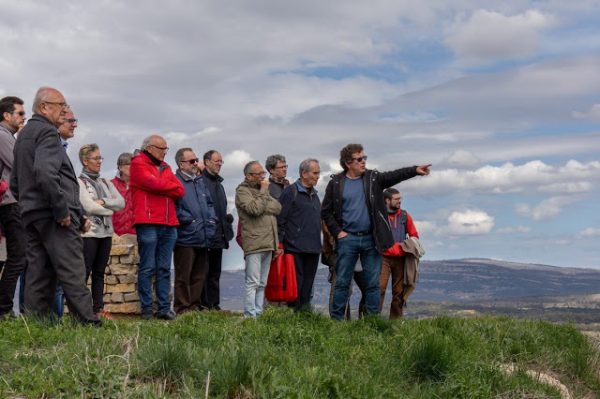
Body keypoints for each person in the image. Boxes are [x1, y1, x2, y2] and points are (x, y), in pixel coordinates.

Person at [10, 87, 99, 325]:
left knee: (39, 270)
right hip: (53, 213)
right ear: (43, 107)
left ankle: (38, 323)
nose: (64, 109)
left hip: (31, 213)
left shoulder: (24, 135)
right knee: (72, 268)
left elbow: (15, 182)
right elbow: (45, 173)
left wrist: (26, 205)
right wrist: (61, 210)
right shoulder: (48, 133)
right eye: (60, 104)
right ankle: (87, 322)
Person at [321, 143, 431, 320]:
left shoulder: (373, 179)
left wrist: (415, 170)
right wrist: (338, 232)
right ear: (348, 163)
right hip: (347, 239)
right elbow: (326, 211)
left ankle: (373, 323)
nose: (364, 162)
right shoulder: (336, 183)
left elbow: (394, 176)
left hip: (371, 239)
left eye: (364, 158)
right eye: (359, 159)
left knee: (373, 284)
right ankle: (337, 323)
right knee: (342, 283)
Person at [130, 135, 184, 320]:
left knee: (163, 268)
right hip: (148, 221)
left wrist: (162, 186)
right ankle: (146, 309)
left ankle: (164, 308)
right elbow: (151, 182)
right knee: (148, 267)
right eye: (162, 149)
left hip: (169, 223)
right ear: (150, 148)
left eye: (166, 149)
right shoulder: (138, 163)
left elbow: (180, 190)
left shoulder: (166, 167)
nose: (164, 152)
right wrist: (165, 186)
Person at [78, 144, 124, 319]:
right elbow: (87, 205)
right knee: (85, 272)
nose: (99, 162)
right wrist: (110, 210)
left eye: (100, 158)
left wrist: (103, 202)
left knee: (100, 272)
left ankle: (98, 309)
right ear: (85, 161)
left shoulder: (105, 182)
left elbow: (121, 203)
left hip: (106, 233)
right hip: (89, 234)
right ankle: (81, 310)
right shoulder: (79, 182)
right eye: (95, 158)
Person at [173, 148, 216, 314]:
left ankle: (194, 306)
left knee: (199, 274)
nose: (195, 164)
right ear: (181, 163)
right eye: (192, 161)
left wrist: (211, 221)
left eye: (196, 160)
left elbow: (209, 204)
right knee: (184, 275)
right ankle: (182, 308)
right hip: (186, 236)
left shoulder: (199, 181)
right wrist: (189, 220)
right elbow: (174, 206)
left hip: (203, 234)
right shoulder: (175, 181)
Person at [235, 161, 281, 317]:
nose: (263, 177)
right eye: (259, 174)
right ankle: (250, 315)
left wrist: (262, 203)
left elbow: (277, 207)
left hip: (268, 242)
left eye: (263, 173)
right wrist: (263, 193)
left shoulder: (261, 191)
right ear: (249, 176)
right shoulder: (242, 191)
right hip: (254, 243)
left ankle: (259, 313)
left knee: (262, 283)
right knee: (253, 282)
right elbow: (254, 209)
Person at [277, 158, 322, 312]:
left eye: (318, 173)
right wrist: (280, 244)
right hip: (294, 247)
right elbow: (280, 219)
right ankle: (294, 316)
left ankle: (304, 315)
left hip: (313, 247)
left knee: (308, 285)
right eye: (315, 173)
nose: (317, 176)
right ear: (304, 173)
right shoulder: (291, 192)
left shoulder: (315, 195)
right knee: (296, 283)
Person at [0, 96, 27, 318]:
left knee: (16, 257)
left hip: (10, 201)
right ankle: (4, 309)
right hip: (10, 202)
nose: (23, 117)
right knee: (18, 257)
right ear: (6, 115)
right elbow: (19, 165)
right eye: (19, 113)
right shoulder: (3, 136)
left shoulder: (7, 136)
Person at [51, 107, 79, 317]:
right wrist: (63, 211)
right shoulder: (51, 145)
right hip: (58, 216)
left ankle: (55, 320)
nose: (74, 124)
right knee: (57, 274)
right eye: (70, 120)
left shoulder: (62, 146)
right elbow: (49, 179)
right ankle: (51, 320)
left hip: (67, 213)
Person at [379, 188, 419, 319]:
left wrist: (406, 247)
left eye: (400, 199)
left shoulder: (404, 216)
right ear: (387, 200)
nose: (399, 201)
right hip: (382, 258)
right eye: (396, 199)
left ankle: (395, 323)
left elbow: (414, 236)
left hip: (401, 259)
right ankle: (374, 320)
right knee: (380, 289)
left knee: (399, 293)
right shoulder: (379, 216)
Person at [201, 150, 234, 310]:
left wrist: (226, 224)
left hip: (219, 235)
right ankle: (205, 305)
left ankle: (214, 305)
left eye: (221, 161)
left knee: (215, 273)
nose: (220, 164)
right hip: (206, 235)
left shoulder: (219, 185)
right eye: (216, 161)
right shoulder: (201, 182)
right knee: (204, 273)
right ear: (206, 162)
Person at [111, 152, 136, 236]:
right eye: (129, 164)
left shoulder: (140, 186)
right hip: (116, 235)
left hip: (136, 234)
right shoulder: (110, 185)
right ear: (120, 167)